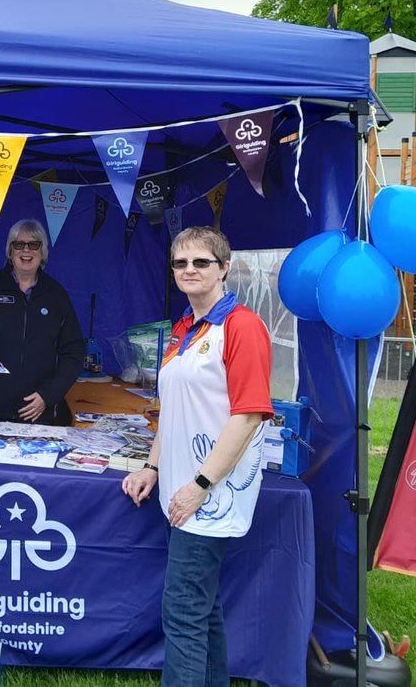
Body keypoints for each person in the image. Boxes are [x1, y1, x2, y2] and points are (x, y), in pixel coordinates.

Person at [120, 226, 272, 687]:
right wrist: (151, 466)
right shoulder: (184, 327)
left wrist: (200, 486)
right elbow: (174, 412)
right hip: (182, 486)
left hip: (210, 492)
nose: (189, 270)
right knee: (202, 607)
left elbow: (248, 417)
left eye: (201, 262)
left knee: (184, 610)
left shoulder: (242, 326)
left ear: (223, 267)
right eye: (180, 263)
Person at [0, 219, 84, 424]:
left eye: (34, 244)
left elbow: (74, 353)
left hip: (38, 412)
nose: (26, 250)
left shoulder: (56, 295)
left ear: (42, 251)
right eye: (19, 244)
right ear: (10, 250)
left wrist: (48, 395)